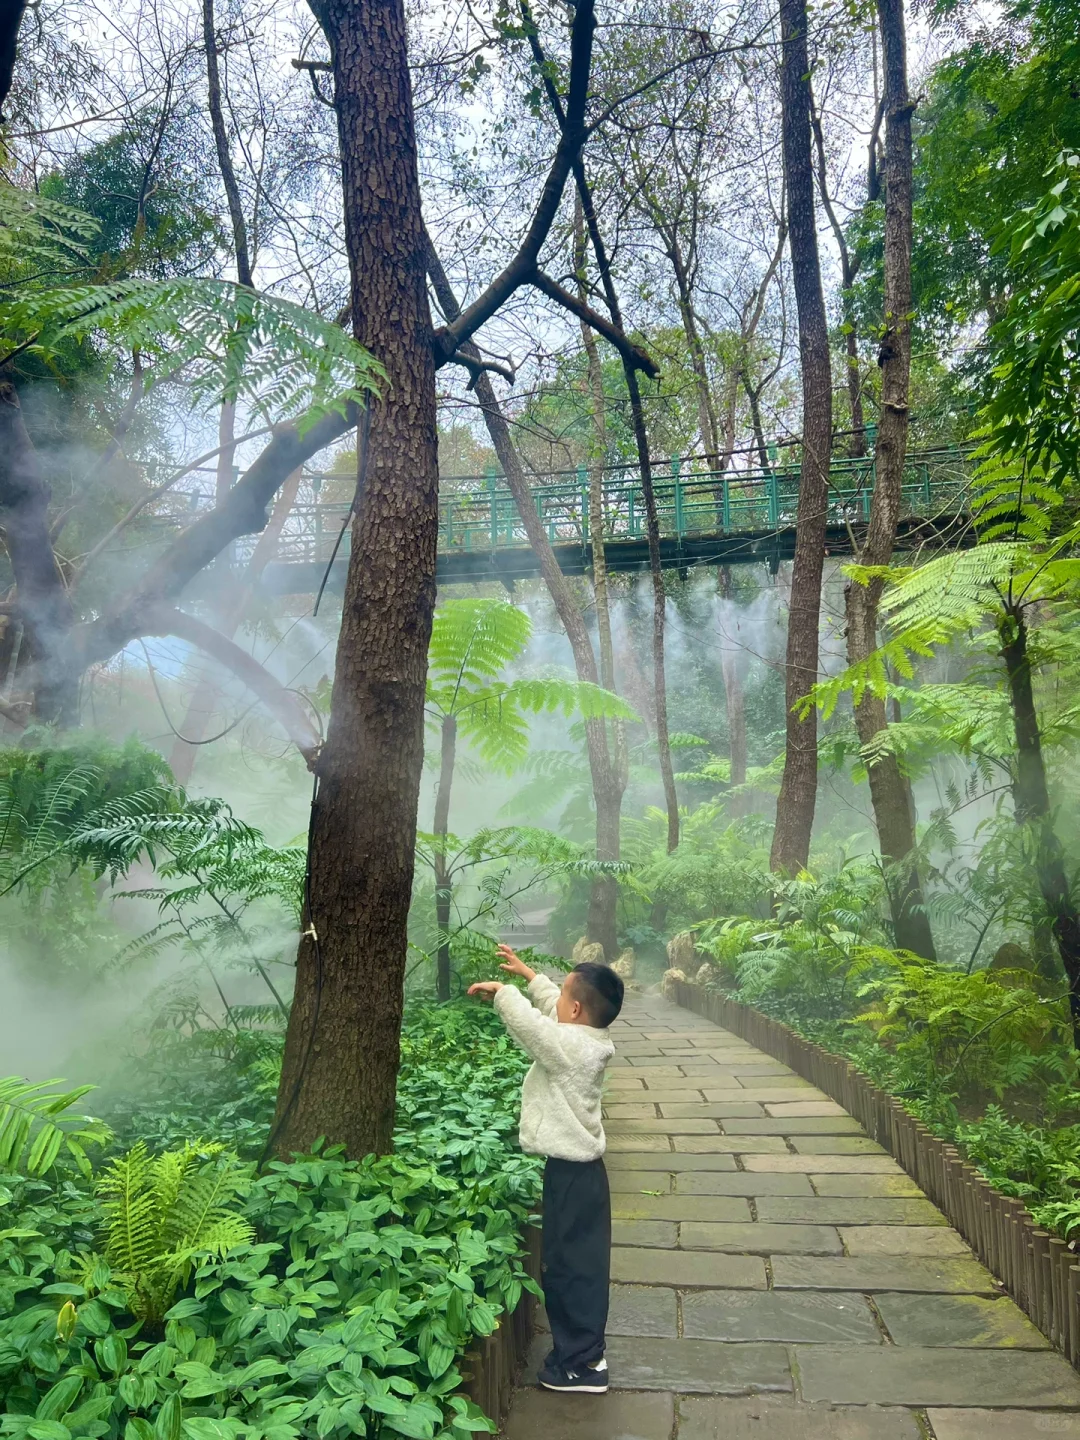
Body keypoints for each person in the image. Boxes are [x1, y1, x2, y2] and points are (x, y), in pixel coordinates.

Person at [468, 943, 624, 1395]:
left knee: (569, 1269)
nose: (556, 1003)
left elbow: (537, 1030)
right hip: (582, 1174)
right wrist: (530, 976)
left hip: (574, 1178)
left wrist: (504, 992)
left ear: (575, 1010)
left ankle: (580, 1366)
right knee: (580, 1266)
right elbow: (556, 1011)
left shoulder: (570, 1048)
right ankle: (585, 1353)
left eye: (562, 998)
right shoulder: (584, 1037)